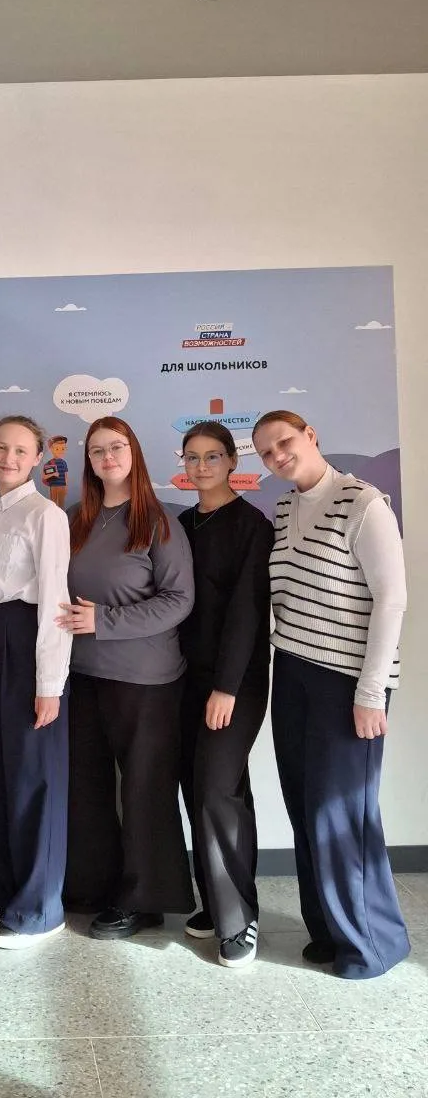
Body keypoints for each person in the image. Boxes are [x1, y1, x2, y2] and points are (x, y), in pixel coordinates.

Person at [253, 409, 409, 979]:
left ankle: (373, 945)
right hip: (293, 671)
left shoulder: (363, 502)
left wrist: (371, 692)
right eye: (266, 452)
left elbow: (391, 599)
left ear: (310, 435)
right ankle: (328, 931)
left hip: (348, 681)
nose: (277, 456)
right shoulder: (285, 507)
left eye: (284, 442)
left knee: (342, 813)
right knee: (304, 807)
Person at [58, 416, 195, 939]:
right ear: (88, 462)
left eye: (116, 447)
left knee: (144, 791)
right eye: (97, 450)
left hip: (145, 680)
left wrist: (105, 621)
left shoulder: (158, 521)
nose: (108, 457)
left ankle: (145, 899)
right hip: (81, 675)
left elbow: (179, 600)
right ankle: (95, 887)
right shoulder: (76, 518)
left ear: (133, 452)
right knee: (87, 789)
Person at [0, 416, 72, 949]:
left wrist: (49, 683)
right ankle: (6, 889)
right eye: (0, 447)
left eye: (20, 450)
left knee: (34, 775)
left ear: (37, 458)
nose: (8, 458)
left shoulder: (46, 515)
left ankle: (40, 907)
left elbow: (56, 601)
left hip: (26, 638)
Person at [177, 422, 273, 969]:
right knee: (200, 789)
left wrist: (226, 688)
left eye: (212, 456)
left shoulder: (252, 526)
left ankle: (239, 919)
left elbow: (247, 613)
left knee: (218, 789)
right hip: (182, 680)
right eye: (192, 457)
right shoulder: (182, 524)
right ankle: (215, 904)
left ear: (232, 461)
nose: (202, 466)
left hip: (233, 684)